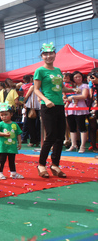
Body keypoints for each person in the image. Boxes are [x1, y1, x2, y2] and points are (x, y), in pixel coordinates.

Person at [33, 42, 78, 178]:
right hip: (47, 107)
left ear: (55, 54)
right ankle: (41, 165)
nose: (48, 56)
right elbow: (36, 89)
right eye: (45, 54)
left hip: (59, 106)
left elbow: (61, 88)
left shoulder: (58, 70)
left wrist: (72, 90)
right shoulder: (40, 71)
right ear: (42, 56)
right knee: (51, 136)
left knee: (60, 137)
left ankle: (55, 165)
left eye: (51, 53)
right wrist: (46, 100)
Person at [0, 103, 24, 180]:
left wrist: (19, 143)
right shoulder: (0, 124)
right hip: (3, 146)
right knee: (2, 160)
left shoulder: (15, 124)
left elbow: (18, 134)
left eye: (6, 114)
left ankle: (13, 173)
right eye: (2, 115)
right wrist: (4, 134)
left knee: (12, 160)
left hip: (12, 146)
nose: (4, 116)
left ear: (11, 114)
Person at [65, 71, 90, 153]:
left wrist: (72, 97)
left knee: (81, 127)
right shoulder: (72, 87)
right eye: (76, 77)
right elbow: (66, 96)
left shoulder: (84, 85)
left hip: (80, 108)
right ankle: (73, 144)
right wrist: (70, 97)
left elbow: (84, 96)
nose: (78, 78)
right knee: (72, 128)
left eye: (79, 76)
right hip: (71, 108)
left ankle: (82, 146)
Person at [87, 68, 98, 152]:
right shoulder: (91, 86)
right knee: (93, 127)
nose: (92, 78)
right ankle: (94, 147)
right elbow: (91, 97)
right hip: (92, 107)